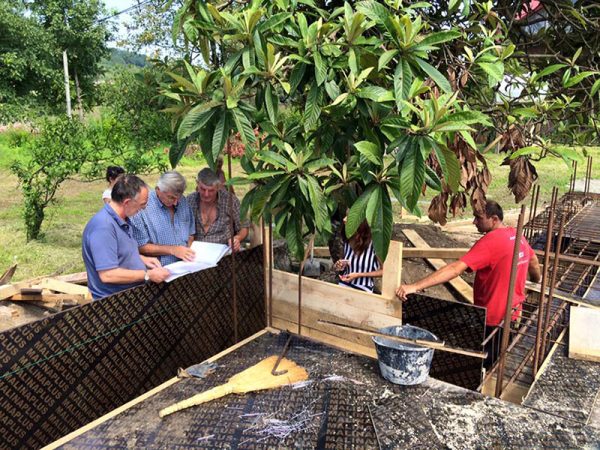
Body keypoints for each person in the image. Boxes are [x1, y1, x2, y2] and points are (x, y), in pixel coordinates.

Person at [395, 201, 541, 365]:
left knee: (483, 362)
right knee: (501, 354)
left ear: (494, 219)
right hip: (514, 313)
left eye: (478, 218)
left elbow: (455, 269)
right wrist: (535, 282)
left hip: (493, 318)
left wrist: (415, 286)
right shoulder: (516, 234)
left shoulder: (491, 242)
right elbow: (533, 261)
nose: (474, 222)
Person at [83, 174, 171, 300]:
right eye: (142, 204)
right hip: (114, 301)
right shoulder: (103, 227)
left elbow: (118, 251)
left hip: (131, 294)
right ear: (127, 202)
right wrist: (147, 274)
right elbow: (108, 274)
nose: (143, 209)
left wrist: (142, 259)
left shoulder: (122, 219)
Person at [130, 171, 196, 266]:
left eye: (178, 198)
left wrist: (189, 253)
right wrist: (173, 250)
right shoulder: (143, 206)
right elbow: (140, 246)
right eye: (171, 197)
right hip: (159, 269)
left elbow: (191, 233)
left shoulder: (182, 201)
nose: (176, 202)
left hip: (186, 266)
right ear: (158, 190)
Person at [187, 168, 249, 252]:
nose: (206, 194)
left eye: (211, 190)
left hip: (224, 252)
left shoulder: (230, 201)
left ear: (218, 187)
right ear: (197, 184)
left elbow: (244, 227)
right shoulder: (189, 201)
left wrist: (237, 238)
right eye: (202, 189)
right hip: (196, 252)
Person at [333, 217, 383, 293]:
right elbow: (343, 263)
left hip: (363, 289)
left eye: (349, 216)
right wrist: (338, 265)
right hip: (344, 285)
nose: (344, 219)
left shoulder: (375, 244)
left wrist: (359, 275)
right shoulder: (347, 241)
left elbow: (384, 271)